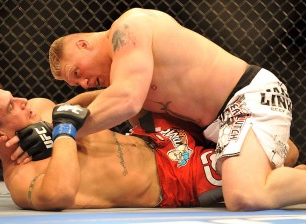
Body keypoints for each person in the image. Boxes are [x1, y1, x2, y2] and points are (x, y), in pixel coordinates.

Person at [44, 8, 301, 211]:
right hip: (219, 123)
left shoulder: (129, 27)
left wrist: (65, 135)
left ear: (82, 44)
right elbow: (111, 96)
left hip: (245, 96)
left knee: (245, 195)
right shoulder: (127, 71)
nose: (82, 82)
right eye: (75, 83)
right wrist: (61, 115)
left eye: (76, 72)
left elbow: (126, 99)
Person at [0, 78, 227, 210]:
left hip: (157, 135)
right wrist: (62, 131)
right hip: (178, 178)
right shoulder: (23, 180)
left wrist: (55, 123)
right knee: (256, 162)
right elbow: (60, 194)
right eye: (11, 106)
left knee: (160, 86)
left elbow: (85, 104)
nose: (23, 101)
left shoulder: (37, 110)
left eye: (14, 96)